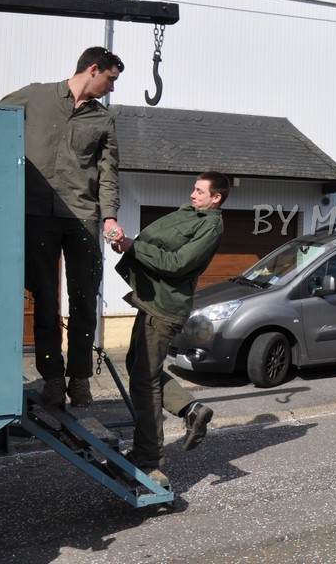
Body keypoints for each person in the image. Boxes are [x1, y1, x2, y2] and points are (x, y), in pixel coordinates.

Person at [1, 46, 126, 408]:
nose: (112, 88)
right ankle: (53, 379)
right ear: (93, 69)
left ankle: (80, 379)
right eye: (111, 79)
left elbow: (108, 173)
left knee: (84, 299)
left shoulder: (103, 120)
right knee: (45, 298)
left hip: (82, 216)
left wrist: (110, 216)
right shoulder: (34, 97)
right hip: (36, 213)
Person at [111, 172, 229, 486]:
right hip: (153, 302)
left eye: (200, 191)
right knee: (137, 367)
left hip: (164, 308)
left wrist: (134, 247)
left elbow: (177, 263)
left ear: (216, 197)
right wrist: (129, 245)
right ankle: (191, 409)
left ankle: (148, 458)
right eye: (194, 189)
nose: (193, 194)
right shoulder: (193, 215)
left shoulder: (210, 226)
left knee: (145, 379)